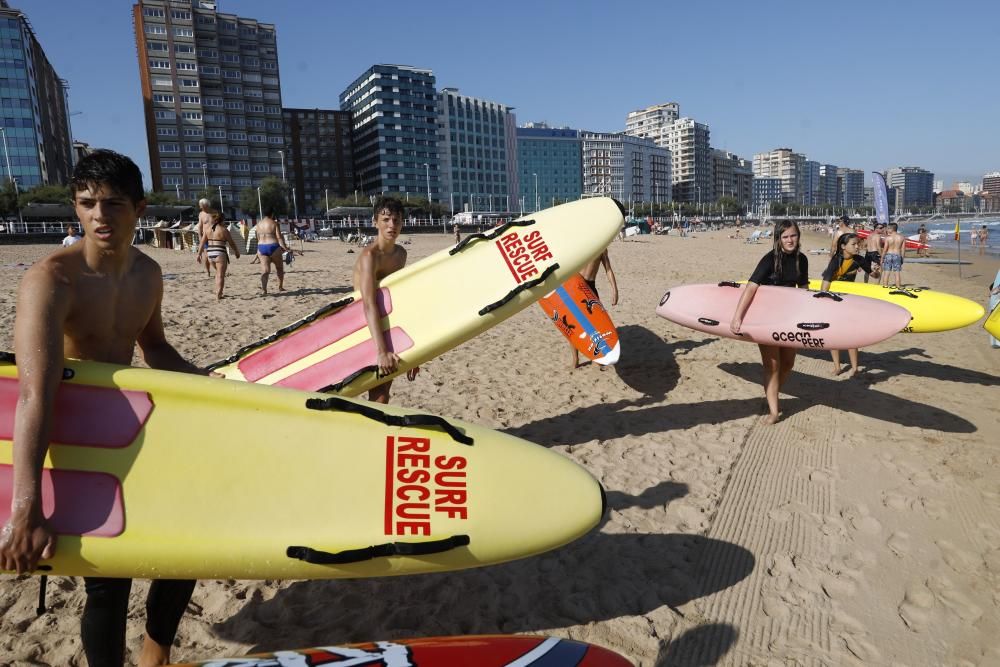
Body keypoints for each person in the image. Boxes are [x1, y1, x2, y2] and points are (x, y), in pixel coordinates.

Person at [0, 150, 207, 666]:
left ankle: (154, 656)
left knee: (187, 548)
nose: (99, 216)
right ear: (75, 207)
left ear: (139, 209)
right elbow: (34, 393)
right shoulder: (51, 281)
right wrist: (26, 506)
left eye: (113, 204)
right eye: (87, 203)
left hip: (131, 423)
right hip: (74, 438)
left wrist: (208, 383)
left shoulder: (148, 274)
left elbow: (154, 348)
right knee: (109, 578)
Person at [730, 220, 808, 425]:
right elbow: (751, 287)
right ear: (778, 239)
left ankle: (771, 393)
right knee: (772, 366)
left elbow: (804, 290)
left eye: (793, 236)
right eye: (785, 237)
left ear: (798, 236)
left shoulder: (803, 260)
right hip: (766, 317)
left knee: (788, 363)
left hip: (789, 318)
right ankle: (774, 411)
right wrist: (738, 316)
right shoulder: (770, 259)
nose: (790, 240)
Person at [353, 196, 418, 403]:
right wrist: (382, 351)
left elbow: (396, 300)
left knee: (381, 395)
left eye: (397, 220)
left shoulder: (401, 254)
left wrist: (415, 352)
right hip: (364, 326)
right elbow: (368, 304)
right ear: (375, 222)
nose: (392, 225)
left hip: (386, 324)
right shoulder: (369, 256)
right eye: (386, 220)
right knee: (378, 396)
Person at [821, 233, 881, 377]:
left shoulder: (859, 260)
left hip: (849, 300)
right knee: (833, 335)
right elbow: (826, 282)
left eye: (858, 244)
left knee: (851, 334)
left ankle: (854, 368)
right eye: (853, 244)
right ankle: (837, 367)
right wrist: (823, 301)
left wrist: (877, 272)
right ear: (843, 247)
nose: (857, 247)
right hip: (834, 300)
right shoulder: (836, 260)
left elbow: (873, 275)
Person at [569, 248, 619, 370]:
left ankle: (597, 355)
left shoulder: (602, 248)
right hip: (576, 284)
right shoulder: (583, 244)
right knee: (573, 324)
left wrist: (615, 290)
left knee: (596, 324)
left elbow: (608, 270)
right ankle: (575, 359)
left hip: (590, 288)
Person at [196, 211, 241, 299]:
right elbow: (231, 243)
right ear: (222, 219)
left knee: (217, 273)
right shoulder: (224, 230)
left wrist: (199, 254)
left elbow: (202, 242)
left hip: (210, 254)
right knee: (220, 275)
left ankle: (218, 291)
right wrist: (236, 252)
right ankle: (219, 294)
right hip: (220, 253)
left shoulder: (208, 229)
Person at [255, 208, 290, 295]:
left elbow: (258, 238)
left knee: (265, 271)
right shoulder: (274, 223)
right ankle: (280, 287)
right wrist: (285, 248)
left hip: (261, 247)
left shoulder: (258, 224)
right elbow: (279, 237)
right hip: (273, 246)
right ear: (272, 214)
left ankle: (264, 289)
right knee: (279, 268)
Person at [880, 222, 905, 289]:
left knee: (886, 272)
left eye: (888, 228)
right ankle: (898, 287)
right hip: (897, 255)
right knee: (897, 273)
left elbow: (885, 250)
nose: (887, 230)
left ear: (892, 229)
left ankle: (885, 287)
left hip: (888, 255)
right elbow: (903, 250)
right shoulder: (902, 237)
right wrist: (902, 258)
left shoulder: (888, 238)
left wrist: (882, 258)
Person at [196, 198, 215, 278]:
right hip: (205, 237)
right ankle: (208, 271)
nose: (200, 207)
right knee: (207, 256)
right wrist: (200, 237)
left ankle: (219, 270)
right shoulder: (201, 214)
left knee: (216, 255)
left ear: (206, 205)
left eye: (202, 206)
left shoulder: (214, 212)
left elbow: (220, 224)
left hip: (214, 237)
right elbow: (200, 227)